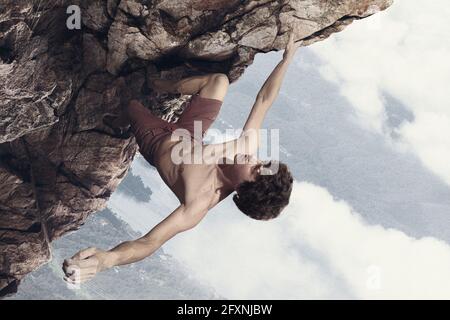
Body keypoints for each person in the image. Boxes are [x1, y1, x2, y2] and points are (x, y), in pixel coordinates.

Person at [63, 31, 300, 284]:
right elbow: (264, 100)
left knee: (128, 102)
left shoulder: (200, 201)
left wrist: (105, 260)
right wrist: (287, 58)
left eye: (255, 170)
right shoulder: (245, 148)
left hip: (155, 140)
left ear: (242, 191)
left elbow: (149, 242)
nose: (254, 160)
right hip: (188, 135)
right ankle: (158, 85)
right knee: (218, 81)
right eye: (262, 163)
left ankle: (124, 118)